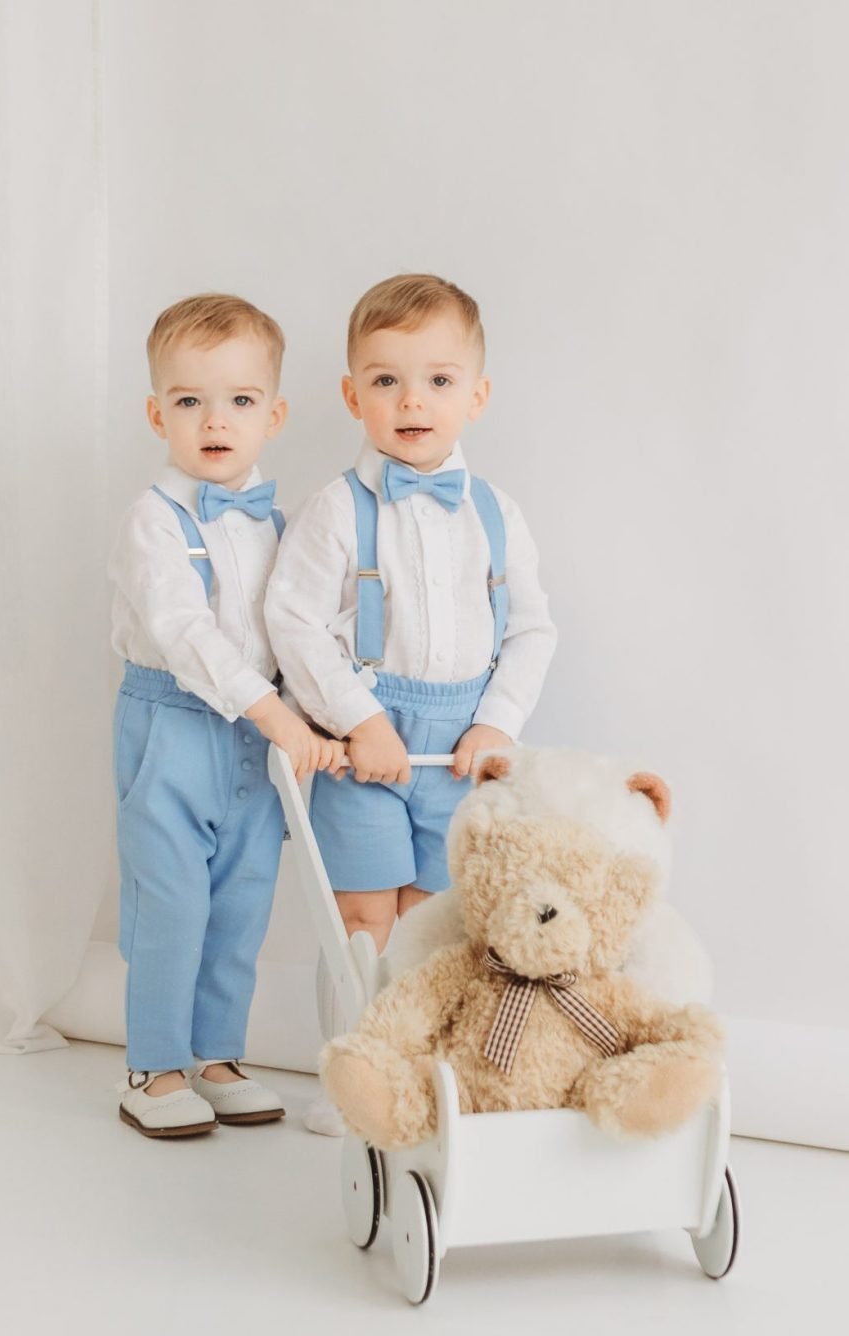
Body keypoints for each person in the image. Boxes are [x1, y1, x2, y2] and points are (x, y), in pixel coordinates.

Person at [265, 273, 556, 1133]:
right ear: (354, 395)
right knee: (364, 915)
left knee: (435, 924)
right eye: (386, 380)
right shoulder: (336, 511)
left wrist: (496, 721)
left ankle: (428, 1078)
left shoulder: (497, 514)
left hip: (459, 750)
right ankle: (355, 1079)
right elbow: (295, 622)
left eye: (437, 379)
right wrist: (360, 717)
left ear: (477, 395)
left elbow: (532, 631)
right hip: (369, 747)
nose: (411, 400)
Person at [109, 293, 343, 1138]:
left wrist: (318, 713)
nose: (215, 420)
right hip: (172, 724)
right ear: (156, 413)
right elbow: (183, 631)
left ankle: (216, 1055)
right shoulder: (153, 520)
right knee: (170, 897)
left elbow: (298, 627)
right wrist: (274, 715)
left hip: (258, 737)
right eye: (189, 401)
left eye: (240, 400)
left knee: (242, 895)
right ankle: (156, 1064)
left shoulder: (279, 524)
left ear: (273, 415)